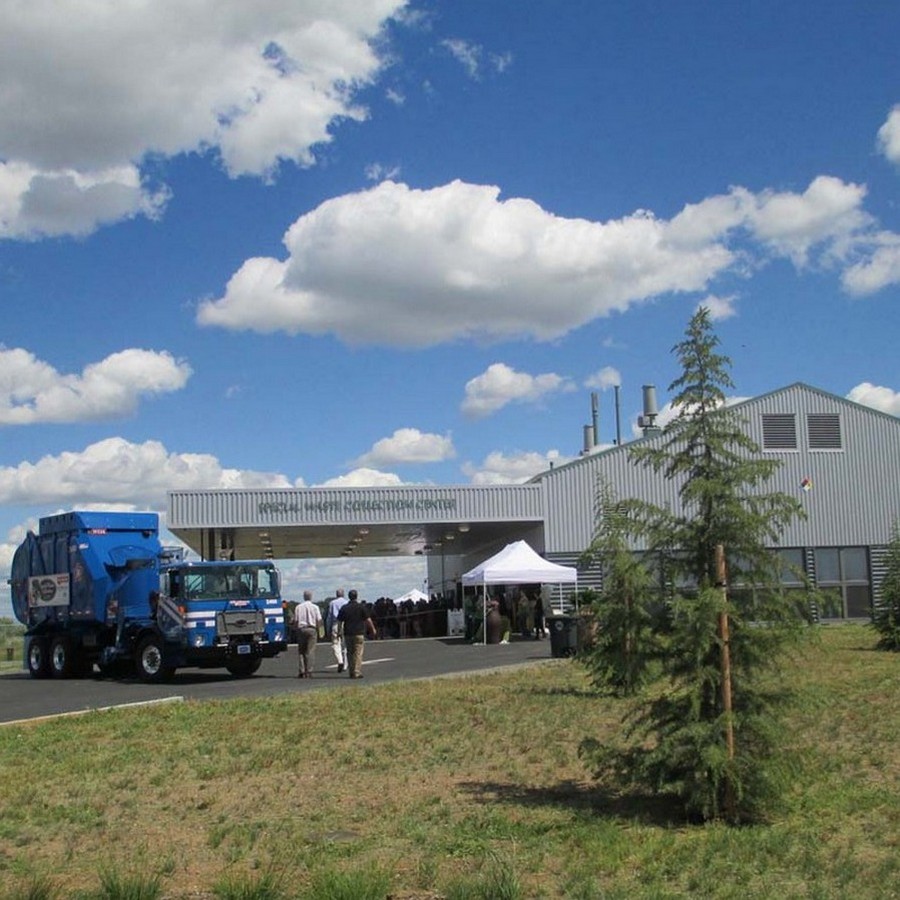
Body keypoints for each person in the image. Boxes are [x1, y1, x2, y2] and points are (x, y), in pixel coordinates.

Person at [338, 589, 376, 678]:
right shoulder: (361, 607)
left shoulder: (344, 608)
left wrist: (339, 631)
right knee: (358, 652)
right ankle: (356, 671)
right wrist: (373, 629)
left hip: (348, 633)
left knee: (350, 652)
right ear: (357, 596)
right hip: (359, 632)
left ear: (349, 597)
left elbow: (339, 621)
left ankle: (351, 671)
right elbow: (368, 619)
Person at [292, 590, 323, 678]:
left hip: (301, 629)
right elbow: (319, 620)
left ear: (303, 597)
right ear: (311, 597)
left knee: (301, 651)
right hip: (311, 629)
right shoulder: (315, 607)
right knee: (310, 651)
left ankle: (302, 670)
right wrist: (320, 630)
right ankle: (309, 670)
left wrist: (295, 629)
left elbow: (296, 620)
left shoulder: (298, 607)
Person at [326, 588, 349, 673]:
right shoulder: (346, 603)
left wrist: (328, 628)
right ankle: (346, 664)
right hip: (345, 624)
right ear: (343, 594)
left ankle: (340, 661)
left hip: (335, 624)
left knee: (336, 644)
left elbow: (329, 617)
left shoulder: (332, 603)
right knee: (345, 645)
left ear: (336, 595)